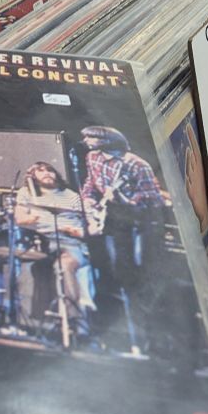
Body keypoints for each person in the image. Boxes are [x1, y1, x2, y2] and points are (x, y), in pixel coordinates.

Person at [79, 125, 167, 353]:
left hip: (139, 226)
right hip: (112, 225)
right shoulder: (92, 158)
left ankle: (151, 339)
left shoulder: (136, 164)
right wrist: (88, 201)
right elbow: (90, 184)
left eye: (92, 137)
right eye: (87, 136)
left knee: (140, 279)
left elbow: (154, 200)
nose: (87, 140)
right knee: (120, 276)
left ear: (106, 140)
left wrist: (128, 202)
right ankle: (128, 336)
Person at [14, 162, 95, 339]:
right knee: (28, 266)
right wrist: (30, 219)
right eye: (40, 171)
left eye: (49, 169)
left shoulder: (72, 196)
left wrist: (78, 232)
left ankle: (73, 322)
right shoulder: (26, 193)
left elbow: (93, 226)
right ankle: (29, 324)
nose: (47, 173)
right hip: (41, 242)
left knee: (64, 266)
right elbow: (19, 219)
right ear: (32, 177)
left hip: (71, 243)